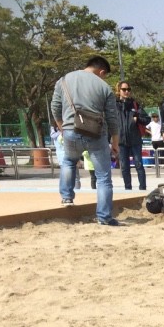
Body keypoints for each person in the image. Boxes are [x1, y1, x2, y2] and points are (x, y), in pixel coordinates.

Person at [50, 55, 120, 225]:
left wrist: (62, 127)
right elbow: (112, 118)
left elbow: (55, 107)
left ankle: (67, 197)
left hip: (70, 130)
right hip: (96, 133)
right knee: (103, 176)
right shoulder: (104, 87)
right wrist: (115, 143)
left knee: (68, 161)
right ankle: (104, 217)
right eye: (104, 75)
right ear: (101, 71)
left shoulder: (64, 80)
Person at [115, 80, 150, 190]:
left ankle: (142, 188)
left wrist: (138, 118)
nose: (126, 92)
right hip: (121, 141)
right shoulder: (114, 105)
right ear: (119, 91)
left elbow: (147, 119)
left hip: (135, 140)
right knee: (125, 167)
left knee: (139, 165)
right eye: (124, 89)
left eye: (128, 89)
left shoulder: (135, 104)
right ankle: (128, 189)